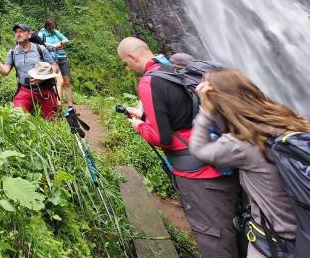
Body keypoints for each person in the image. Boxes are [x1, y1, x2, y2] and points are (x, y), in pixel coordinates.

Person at [117, 37, 243, 258]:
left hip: (199, 174)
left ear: (132, 57)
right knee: (239, 229)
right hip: (226, 157)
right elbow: (184, 113)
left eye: (125, 64)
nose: (127, 69)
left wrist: (140, 125)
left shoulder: (148, 82)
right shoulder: (176, 67)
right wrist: (147, 115)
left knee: (214, 237)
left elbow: (161, 137)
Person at [190, 69, 307, 258]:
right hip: (304, 226)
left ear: (220, 103)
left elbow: (199, 150)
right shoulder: (288, 119)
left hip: (276, 238)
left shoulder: (240, 144)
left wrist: (206, 110)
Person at [0, 23, 60, 119]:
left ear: (29, 35)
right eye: (16, 32)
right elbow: (5, 71)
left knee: (51, 121)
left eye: (22, 31)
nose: (18, 34)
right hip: (25, 90)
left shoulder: (40, 49)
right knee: (16, 116)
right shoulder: (12, 52)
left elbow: (55, 67)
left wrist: (42, 78)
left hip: (45, 90)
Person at [32, 18, 74, 110]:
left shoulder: (55, 32)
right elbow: (40, 44)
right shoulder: (42, 34)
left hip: (62, 57)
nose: (52, 30)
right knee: (60, 81)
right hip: (51, 59)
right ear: (46, 27)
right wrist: (54, 46)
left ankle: (71, 108)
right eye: (50, 28)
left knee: (67, 82)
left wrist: (61, 43)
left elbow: (66, 40)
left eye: (53, 28)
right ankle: (58, 106)